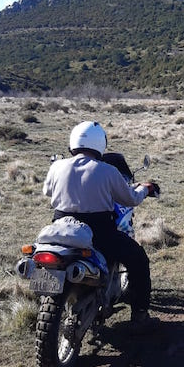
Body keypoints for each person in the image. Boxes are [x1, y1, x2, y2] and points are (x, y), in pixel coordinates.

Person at [42, 121, 159, 329]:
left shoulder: (57, 166)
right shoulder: (107, 171)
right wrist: (144, 189)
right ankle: (140, 317)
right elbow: (130, 199)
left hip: (61, 228)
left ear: (73, 142)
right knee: (139, 260)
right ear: (99, 144)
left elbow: (47, 192)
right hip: (99, 233)